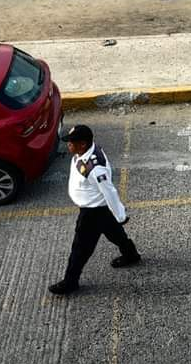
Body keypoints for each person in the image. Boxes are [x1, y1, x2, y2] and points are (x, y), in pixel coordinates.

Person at [49, 124, 140, 295]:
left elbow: (109, 191)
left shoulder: (96, 168)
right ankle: (131, 254)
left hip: (92, 212)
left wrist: (120, 215)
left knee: (80, 249)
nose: (68, 145)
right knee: (114, 233)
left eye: (72, 142)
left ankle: (70, 282)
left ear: (82, 144)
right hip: (98, 210)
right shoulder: (83, 152)